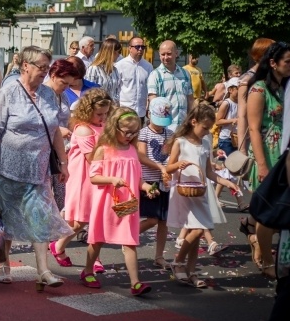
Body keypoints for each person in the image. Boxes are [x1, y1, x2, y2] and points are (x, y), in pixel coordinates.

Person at [0, 45, 73, 287]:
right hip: (6, 169)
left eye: (47, 68)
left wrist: (63, 162)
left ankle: (43, 270)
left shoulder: (50, 95)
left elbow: (55, 132)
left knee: (39, 218)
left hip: (38, 171)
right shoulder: (7, 94)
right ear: (25, 66)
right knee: (5, 218)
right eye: (41, 67)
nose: (45, 72)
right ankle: (4, 264)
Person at [82, 107, 153, 296]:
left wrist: (146, 187)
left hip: (127, 204)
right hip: (106, 203)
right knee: (97, 239)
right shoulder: (103, 150)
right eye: (126, 132)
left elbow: (137, 178)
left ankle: (135, 282)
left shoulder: (132, 150)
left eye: (134, 132)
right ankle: (88, 271)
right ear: (114, 128)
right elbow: (94, 177)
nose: (130, 136)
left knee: (129, 242)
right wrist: (112, 179)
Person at [166, 105, 237, 288]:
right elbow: (168, 167)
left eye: (209, 129)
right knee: (198, 229)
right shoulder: (180, 142)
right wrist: (178, 164)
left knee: (196, 235)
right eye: (205, 128)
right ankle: (178, 262)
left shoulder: (205, 143)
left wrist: (227, 182)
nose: (207, 132)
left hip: (200, 191)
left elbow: (208, 172)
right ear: (193, 122)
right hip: (184, 191)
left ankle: (190, 272)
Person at [51, 88, 113, 271]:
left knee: (94, 218)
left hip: (98, 176)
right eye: (99, 114)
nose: (103, 118)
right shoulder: (84, 129)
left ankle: (93, 258)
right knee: (80, 221)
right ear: (88, 111)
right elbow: (92, 158)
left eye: (105, 114)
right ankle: (59, 246)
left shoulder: (101, 126)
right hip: (83, 178)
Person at [246, 41, 290, 278]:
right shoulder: (259, 90)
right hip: (267, 152)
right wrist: (262, 165)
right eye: (287, 62)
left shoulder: (287, 88)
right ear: (273, 63)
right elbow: (253, 129)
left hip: (285, 152)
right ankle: (267, 259)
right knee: (268, 211)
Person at [137, 97, 173, 270]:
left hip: (164, 181)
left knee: (163, 220)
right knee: (151, 219)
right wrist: (160, 166)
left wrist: (169, 169)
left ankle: (159, 255)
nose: (160, 125)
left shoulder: (169, 133)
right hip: (149, 180)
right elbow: (142, 156)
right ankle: (128, 237)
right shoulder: (144, 132)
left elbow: (170, 156)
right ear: (149, 114)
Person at [43, 59, 80, 211]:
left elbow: (66, 119)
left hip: (61, 150)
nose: (66, 88)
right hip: (44, 149)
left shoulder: (62, 95)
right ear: (53, 75)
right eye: (63, 83)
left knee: (61, 192)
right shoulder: (42, 93)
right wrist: (58, 129)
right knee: (45, 193)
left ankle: (59, 228)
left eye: (69, 85)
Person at [237, 38, 274, 154]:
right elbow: (242, 116)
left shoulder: (273, 77)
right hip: (254, 140)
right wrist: (242, 149)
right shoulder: (246, 80)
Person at [147, 40, 194, 127]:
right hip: (165, 127)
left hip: (183, 126)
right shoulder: (155, 75)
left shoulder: (185, 74)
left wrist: (191, 119)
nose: (166, 57)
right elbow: (153, 101)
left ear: (176, 53)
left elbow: (190, 99)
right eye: (162, 54)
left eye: (169, 54)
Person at [115, 36, 152, 121]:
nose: (140, 49)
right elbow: (116, 89)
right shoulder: (120, 65)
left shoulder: (148, 66)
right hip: (124, 111)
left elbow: (150, 89)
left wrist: (149, 107)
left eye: (142, 47)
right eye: (137, 47)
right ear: (129, 48)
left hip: (141, 112)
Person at [85, 38, 122, 103]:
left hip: (112, 109)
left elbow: (116, 92)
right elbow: (89, 92)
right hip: (98, 109)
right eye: (118, 52)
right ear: (110, 52)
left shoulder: (115, 70)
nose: (119, 55)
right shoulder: (94, 69)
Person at [216, 77, 240, 155]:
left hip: (237, 138)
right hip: (226, 140)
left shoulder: (241, 103)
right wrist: (232, 120)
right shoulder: (227, 103)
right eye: (238, 88)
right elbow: (218, 121)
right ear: (230, 90)